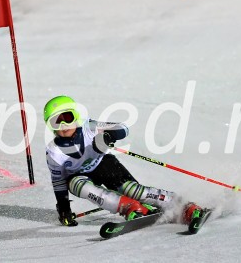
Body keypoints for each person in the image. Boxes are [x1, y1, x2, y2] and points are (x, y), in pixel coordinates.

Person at [43, 95, 204, 226]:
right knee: (76, 184)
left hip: (104, 164)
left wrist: (108, 136)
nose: (63, 125)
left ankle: (184, 206)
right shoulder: (54, 151)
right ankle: (130, 207)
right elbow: (58, 181)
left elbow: (122, 128)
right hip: (79, 176)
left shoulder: (89, 127)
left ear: (76, 116)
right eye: (56, 121)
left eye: (67, 117)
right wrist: (63, 208)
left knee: (132, 190)